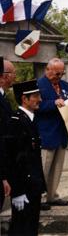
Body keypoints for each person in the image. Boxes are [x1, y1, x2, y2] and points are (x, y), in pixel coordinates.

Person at [36, 58, 68, 209]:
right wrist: (53, 103)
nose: (59, 77)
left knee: (57, 168)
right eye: (56, 74)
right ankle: (39, 199)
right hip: (46, 132)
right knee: (44, 168)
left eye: (61, 74)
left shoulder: (66, 86)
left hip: (62, 132)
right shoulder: (38, 85)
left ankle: (52, 195)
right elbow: (36, 106)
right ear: (47, 70)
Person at [3, 80, 47, 236]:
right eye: (36, 96)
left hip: (32, 186)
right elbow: (13, 159)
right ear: (24, 99)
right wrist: (18, 192)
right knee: (21, 228)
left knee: (31, 227)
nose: (40, 99)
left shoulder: (30, 119)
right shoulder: (17, 122)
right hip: (24, 187)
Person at [0, 58, 16, 211]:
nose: (15, 77)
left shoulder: (4, 98)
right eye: (13, 73)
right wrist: (4, 176)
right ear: (4, 76)